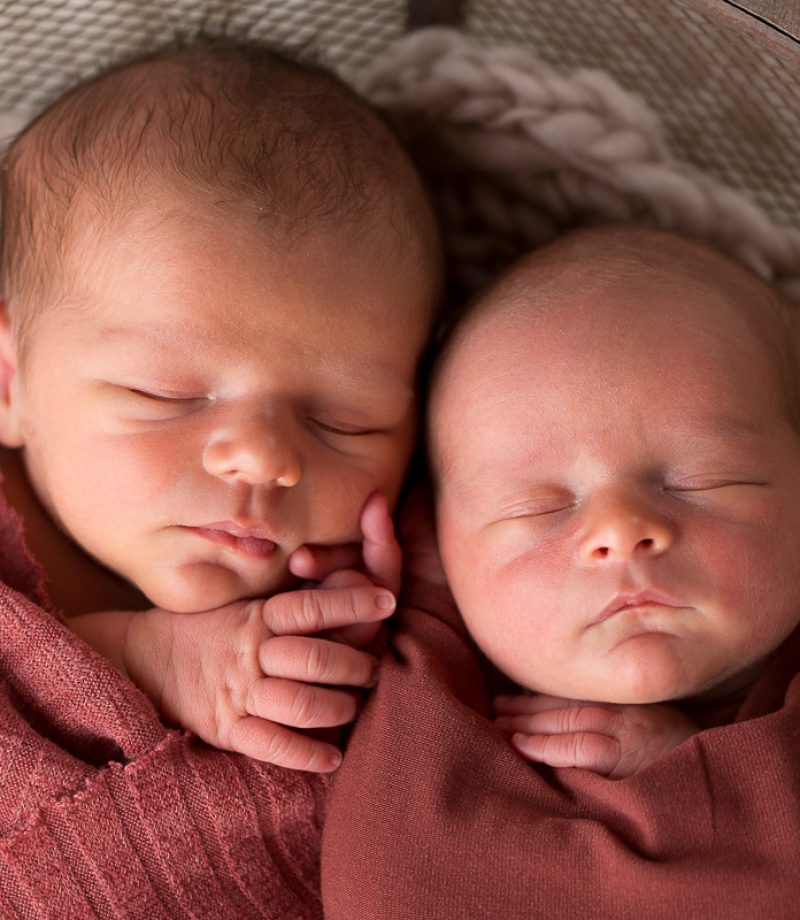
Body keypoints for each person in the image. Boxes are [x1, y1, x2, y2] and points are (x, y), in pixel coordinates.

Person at [0, 37, 440, 917]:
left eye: (344, 421)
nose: (267, 459)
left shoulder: (413, 578)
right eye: (166, 393)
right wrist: (142, 661)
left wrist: (365, 681)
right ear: (8, 381)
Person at [322, 226, 800, 919]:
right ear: (433, 539)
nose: (617, 531)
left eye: (702, 479)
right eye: (538, 508)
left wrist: (704, 775)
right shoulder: (412, 650)